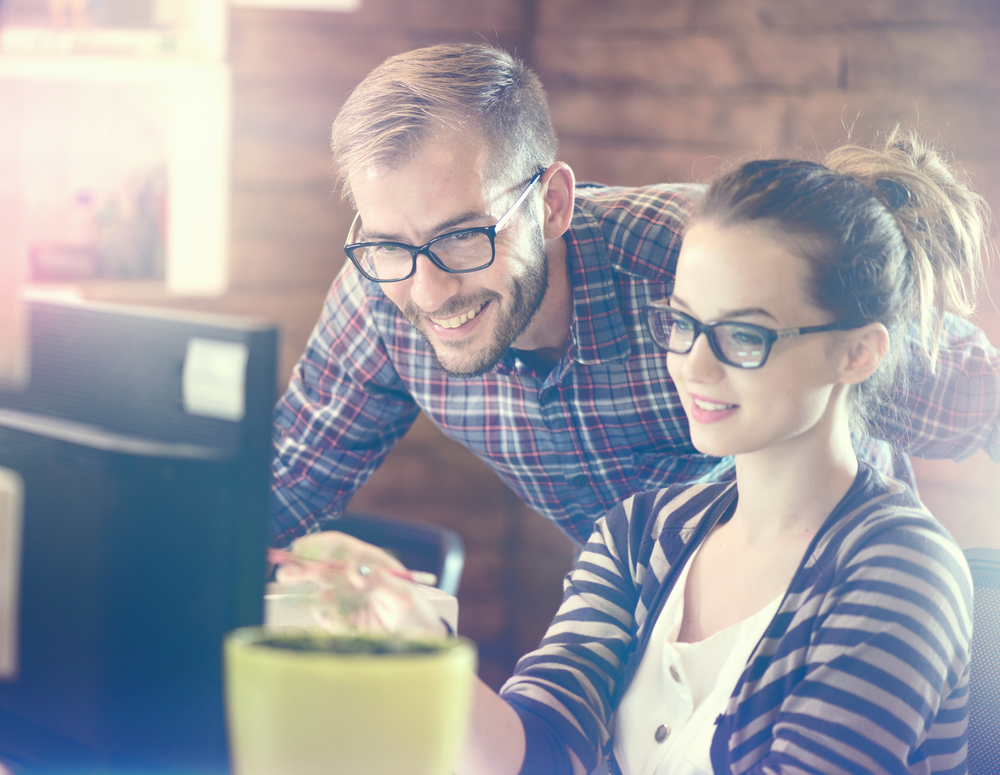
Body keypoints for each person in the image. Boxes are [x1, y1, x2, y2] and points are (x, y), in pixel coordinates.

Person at [270, 42, 1000, 549]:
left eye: (464, 236)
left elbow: (981, 398)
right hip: (658, 623)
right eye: (392, 245)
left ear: (551, 203)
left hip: (831, 607)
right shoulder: (382, 290)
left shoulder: (698, 265)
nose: (427, 289)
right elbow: (284, 484)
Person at [451, 130, 980, 774]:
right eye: (682, 323)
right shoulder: (638, 535)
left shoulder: (902, 571)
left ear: (857, 353)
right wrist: (413, 657)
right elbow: (539, 751)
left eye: (743, 334)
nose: (693, 365)